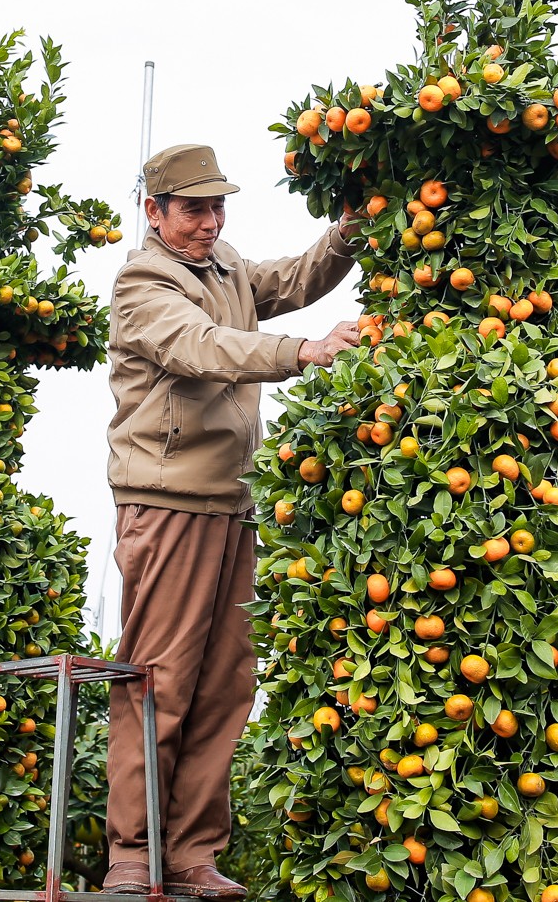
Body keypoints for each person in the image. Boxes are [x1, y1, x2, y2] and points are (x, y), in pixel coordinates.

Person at [100, 143, 360, 898]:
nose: (211, 222)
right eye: (194, 209)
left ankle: (190, 851)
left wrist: (345, 232)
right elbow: (202, 346)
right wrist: (303, 351)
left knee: (223, 683)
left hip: (232, 503)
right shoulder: (143, 280)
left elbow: (294, 278)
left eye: (218, 207)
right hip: (168, 501)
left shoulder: (227, 267)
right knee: (160, 679)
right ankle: (132, 853)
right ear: (155, 211)